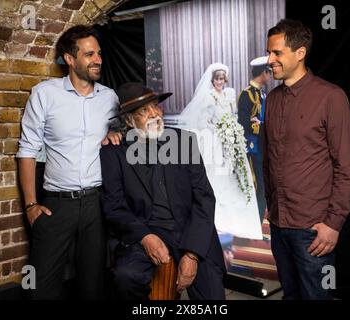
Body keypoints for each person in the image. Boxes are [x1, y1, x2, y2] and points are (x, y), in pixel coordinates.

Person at [16, 25, 119, 299]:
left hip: (97, 205)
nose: (98, 59)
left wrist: (116, 134)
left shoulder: (110, 98)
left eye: (98, 53)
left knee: (93, 285)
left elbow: (121, 139)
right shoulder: (44, 94)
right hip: (56, 205)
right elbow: (27, 149)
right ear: (70, 59)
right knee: (39, 285)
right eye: (89, 54)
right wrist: (30, 205)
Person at [100, 82, 226, 300]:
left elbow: (204, 199)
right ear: (129, 120)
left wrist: (192, 253)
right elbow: (114, 207)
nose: (154, 114)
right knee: (125, 277)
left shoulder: (184, 141)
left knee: (212, 295)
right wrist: (145, 237)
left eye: (155, 107)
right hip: (146, 229)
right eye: (143, 111)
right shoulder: (114, 153)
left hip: (189, 229)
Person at [264, 19, 350, 299]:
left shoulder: (331, 97)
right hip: (279, 225)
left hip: (314, 229)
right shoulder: (273, 99)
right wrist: (270, 205)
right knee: (290, 295)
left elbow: (345, 166)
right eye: (269, 52)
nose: (270, 60)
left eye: (276, 53)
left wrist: (333, 224)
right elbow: (269, 158)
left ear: (299, 53)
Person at [177, 63, 263, 240]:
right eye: (217, 79)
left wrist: (232, 129)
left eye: (222, 79)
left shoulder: (230, 94)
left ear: (225, 80)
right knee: (217, 178)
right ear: (213, 80)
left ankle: (235, 218)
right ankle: (216, 218)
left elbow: (234, 116)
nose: (220, 82)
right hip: (215, 141)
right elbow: (203, 122)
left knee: (234, 177)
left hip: (231, 140)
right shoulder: (208, 97)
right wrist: (220, 129)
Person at [237, 56, 271, 224]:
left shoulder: (261, 93)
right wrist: (260, 126)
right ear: (264, 73)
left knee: (263, 186)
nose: (270, 76)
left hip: (262, 145)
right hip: (253, 147)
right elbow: (242, 124)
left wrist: (262, 123)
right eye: (269, 73)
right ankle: (254, 225)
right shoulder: (247, 94)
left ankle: (256, 223)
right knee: (258, 186)